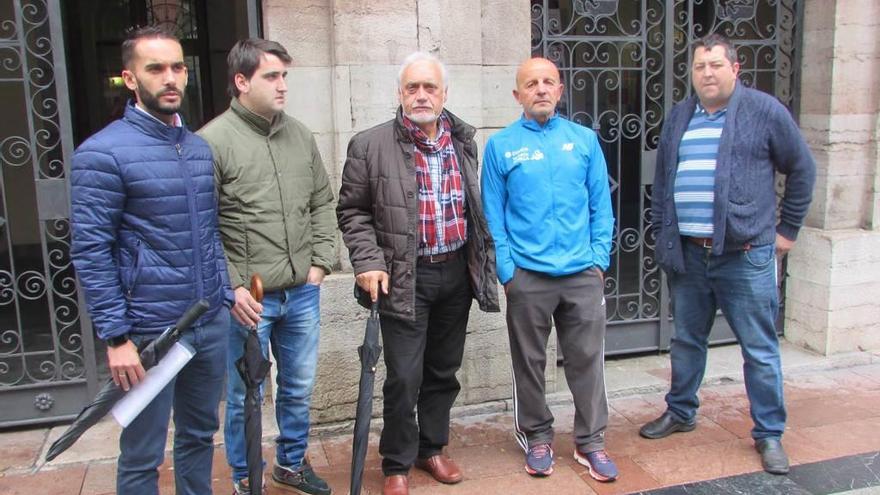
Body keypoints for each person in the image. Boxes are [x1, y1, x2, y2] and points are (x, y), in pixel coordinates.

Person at [642, 33, 816, 475]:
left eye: (716, 65)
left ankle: (769, 432)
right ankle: (681, 411)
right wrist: (664, 231)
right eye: (700, 66)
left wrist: (787, 231)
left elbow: (801, 169)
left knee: (758, 349)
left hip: (746, 254)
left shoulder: (763, 111)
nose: (707, 73)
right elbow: (664, 180)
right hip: (690, 255)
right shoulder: (680, 116)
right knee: (685, 341)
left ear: (735, 69)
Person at [70, 25, 234, 495]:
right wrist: (116, 336)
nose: (170, 78)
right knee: (142, 453)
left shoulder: (200, 150)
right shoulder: (102, 154)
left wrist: (223, 295)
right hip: (148, 332)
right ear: (129, 78)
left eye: (177, 67)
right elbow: (91, 251)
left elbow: (208, 234)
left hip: (207, 321)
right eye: (155, 68)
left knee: (200, 435)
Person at [337, 51, 500, 495]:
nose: (421, 95)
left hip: (455, 273)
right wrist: (368, 261)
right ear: (400, 94)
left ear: (444, 94)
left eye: (430, 87)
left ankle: (432, 447)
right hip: (404, 278)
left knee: (443, 370)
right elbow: (352, 211)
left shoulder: (463, 139)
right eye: (413, 87)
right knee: (403, 376)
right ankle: (396, 462)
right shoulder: (369, 145)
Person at [198, 38, 335, 495]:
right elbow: (203, 228)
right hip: (247, 301)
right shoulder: (211, 143)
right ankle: (244, 476)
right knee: (244, 396)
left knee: (297, 387)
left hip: (301, 294)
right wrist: (231, 287)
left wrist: (320, 263)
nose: (282, 86)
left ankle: (290, 465)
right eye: (271, 76)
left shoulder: (298, 134)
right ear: (241, 82)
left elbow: (321, 201)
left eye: (284, 77)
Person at [480, 57, 618, 482]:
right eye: (531, 83)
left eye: (548, 82)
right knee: (529, 362)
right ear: (517, 95)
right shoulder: (501, 146)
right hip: (529, 277)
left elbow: (601, 204)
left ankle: (591, 441)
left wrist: (599, 260)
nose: (540, 89)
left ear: (559, 91)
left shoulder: (583, 140)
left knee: (587, 360)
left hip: (580, 274)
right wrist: (507, 271)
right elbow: (493, 216)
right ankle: (537, 436)